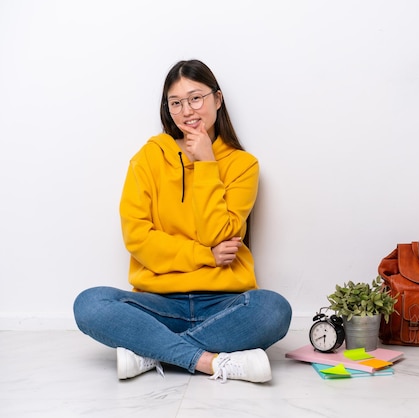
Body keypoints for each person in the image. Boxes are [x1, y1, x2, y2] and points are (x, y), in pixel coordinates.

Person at [73, 59, 292, 383]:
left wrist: (206, 162)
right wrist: (206, 255)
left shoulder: (243, 165)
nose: (187, 110)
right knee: (89, 303)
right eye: (176, 103)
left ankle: (150, 352)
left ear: (217, 99)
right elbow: (137, 238)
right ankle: (208, 361)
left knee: (274, 309)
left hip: (224, 304)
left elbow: (218, 232)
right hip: (159, 305)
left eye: (195, 98)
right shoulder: (148, 158)